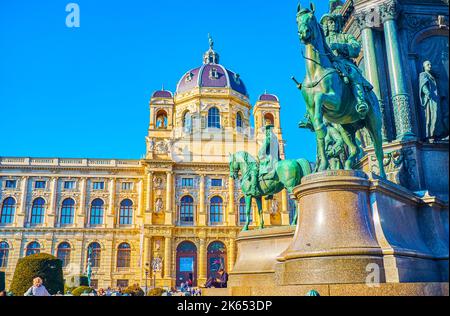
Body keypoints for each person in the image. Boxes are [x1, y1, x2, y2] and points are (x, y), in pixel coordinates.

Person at [320, 11, 373, 120]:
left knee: (353, 74)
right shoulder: (323, 41)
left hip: (344, 63)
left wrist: (339, 46)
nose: (333, 25)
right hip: (328, 67)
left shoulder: (345, 37)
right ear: (326, 26)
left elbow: (356, 48)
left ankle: (360, 101)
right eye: (330, 23)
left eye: (334, 22)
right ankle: (310, 115)